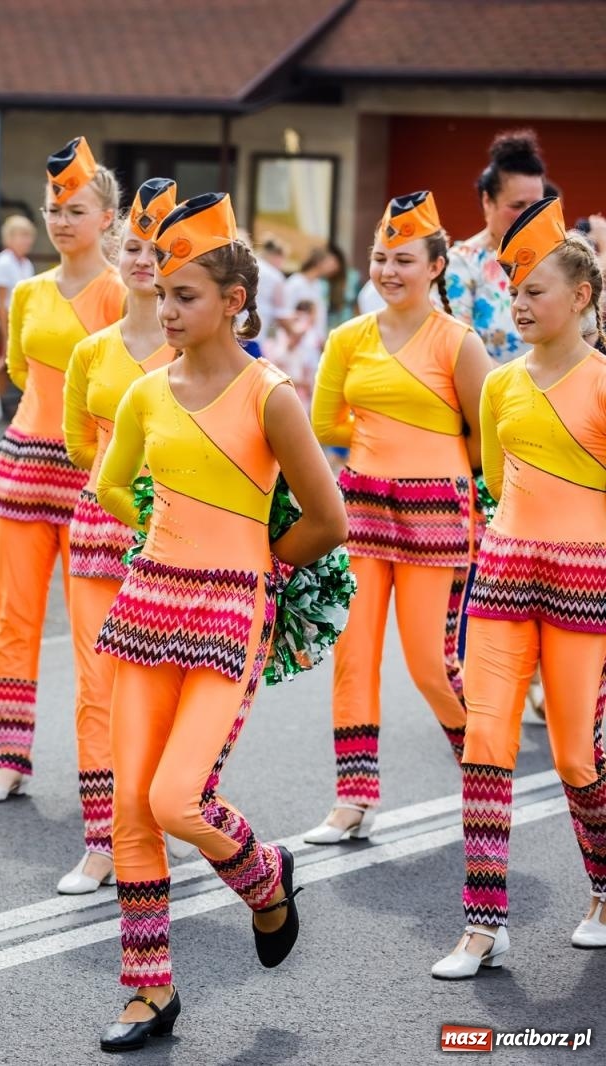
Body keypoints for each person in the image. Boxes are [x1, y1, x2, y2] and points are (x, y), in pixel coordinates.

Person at [93, 193, 346, 1052]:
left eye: (186, 295)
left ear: (235, 300)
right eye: (162, 293)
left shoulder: (270, 396)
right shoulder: (145, 393)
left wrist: (261, 565)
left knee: (176, 798)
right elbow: (107, 485)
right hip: (148, 605)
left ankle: (266, 876)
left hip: (232, 609)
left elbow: (327, 517)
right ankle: (146, 991)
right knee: (132, 806)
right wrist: (162, 535)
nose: (166, 310)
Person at [433, 199, 606, 977]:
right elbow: (497, 483)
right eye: (514, 289)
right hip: (502, 577)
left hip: (585, 586)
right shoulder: (499, 386)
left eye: (536, 290)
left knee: (575, 755)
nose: (520, 303)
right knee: (486, 742)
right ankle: (482, 924)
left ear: (581, 297)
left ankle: (602, 889)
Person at [305, 192, 492, 844]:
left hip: (437, 515)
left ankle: (483, 762)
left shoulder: (458, 342)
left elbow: (486, 434)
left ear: (436, 266)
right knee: (352, 654)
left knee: (428, 662)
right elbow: (322, 424)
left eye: (403, 259)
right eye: (380, 257)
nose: (387, 269)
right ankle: (353, 797)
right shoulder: (347, 338)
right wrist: (376, 443)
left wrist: (439, 466)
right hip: (361, 506)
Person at [0, 138, 125, 803]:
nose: (63, 220)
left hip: (92, 474)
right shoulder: (28, 293)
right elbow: (17, 371)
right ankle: (11, 756)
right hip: (23, 464)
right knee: (13, 618)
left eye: (77, 209)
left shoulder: (121, 294)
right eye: (55, 208)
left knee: (95, 633)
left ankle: (109, 767)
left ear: (107, 220)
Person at [56, 177, 179, 895]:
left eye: (160, 250)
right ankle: (102, 840)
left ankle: (159, 820)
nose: (144, 261)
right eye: (133, 246)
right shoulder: (92, 353)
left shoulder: (195, 344)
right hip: (101, 532)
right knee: (96, 689)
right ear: (116, 249)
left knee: (160, 692)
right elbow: (80, 447)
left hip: (177, 541)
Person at [445, 130, 548, 364]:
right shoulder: (462, 263)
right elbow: (455, 348)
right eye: (517, 205)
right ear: (487, 201)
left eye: (537, 205)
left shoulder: (556, 257)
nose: (529, 214)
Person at [0, 214, 39, 325]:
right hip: (1, 319)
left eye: (30, 236)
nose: (28, 241)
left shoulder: (27, 264)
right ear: (10, 237)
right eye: (24, 236)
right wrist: (6, 336)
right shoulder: (3, 263)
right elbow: (1, 304)